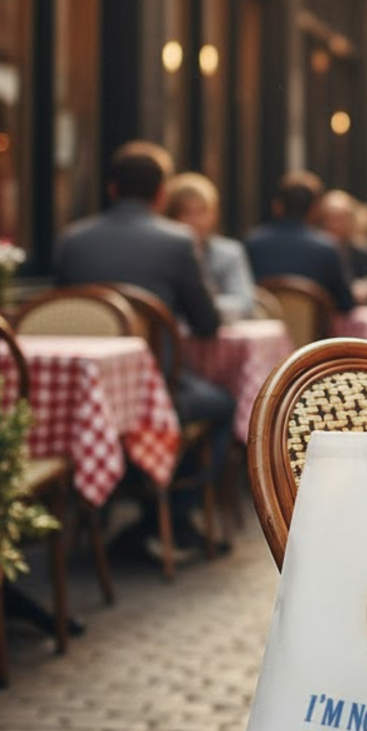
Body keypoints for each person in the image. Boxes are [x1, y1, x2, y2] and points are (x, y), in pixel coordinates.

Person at [54, 140, 236, 557]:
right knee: (224, 405)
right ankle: (171, 516)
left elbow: (65, 314)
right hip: (157, 391)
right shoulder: (177, 242)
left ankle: (102, 510)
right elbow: (207, 323)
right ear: (160, 195)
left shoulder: (73, 240)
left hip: (87, 397)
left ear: (111, 189)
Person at [243, 169, 355, 313]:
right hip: (319, 335)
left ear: (277, 206)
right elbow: (347, 304)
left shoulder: (252, 243)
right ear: (315, 210)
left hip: (264, 328)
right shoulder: (328, 248)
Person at [163, 171, 257, 322]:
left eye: (202, 211)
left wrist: (202, 307)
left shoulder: (229, 253)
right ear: (172, 216)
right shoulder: (165, 253)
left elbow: (245, 303)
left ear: (214, 214)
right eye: (187, 213)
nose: (196, 221)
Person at [315, 188, 367, 303]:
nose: (337, 225)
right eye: (332, 218)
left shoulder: (362, 250)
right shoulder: (318, 250)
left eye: (342, 218)